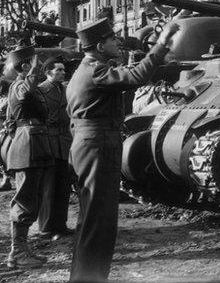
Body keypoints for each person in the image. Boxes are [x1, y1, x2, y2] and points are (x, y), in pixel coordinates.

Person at [66, 18, 180, 283]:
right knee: (99, 219)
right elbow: (137, 76)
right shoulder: (95, 71)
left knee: (93, 217)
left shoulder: (86, 69)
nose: (117, 42)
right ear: (99, 45)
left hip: (90, 144)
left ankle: (86, 276)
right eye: (112, 39)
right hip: (98, 146)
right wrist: (161, 43)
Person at [5, 45, 53, 268]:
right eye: (36, 62)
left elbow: (10, 122)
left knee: (32, 199)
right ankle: (17, 252)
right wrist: (33, 70)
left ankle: (22, 250)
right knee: (25, 200)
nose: (41, 66)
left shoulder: (29, 87)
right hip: (28, 147)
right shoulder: (19, 86)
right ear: (25, 66)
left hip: (35, 145)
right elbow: (24, 95)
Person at [37, 57, 73, 241]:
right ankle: (45, 228)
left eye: (63, 70)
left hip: (64, 142)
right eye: (58, 70)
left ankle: (61, 225)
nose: (62, 72)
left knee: (64, 186)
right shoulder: (41, 91)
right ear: (48, 72)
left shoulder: (66, 89)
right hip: (49, 142)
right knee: (48, 187)